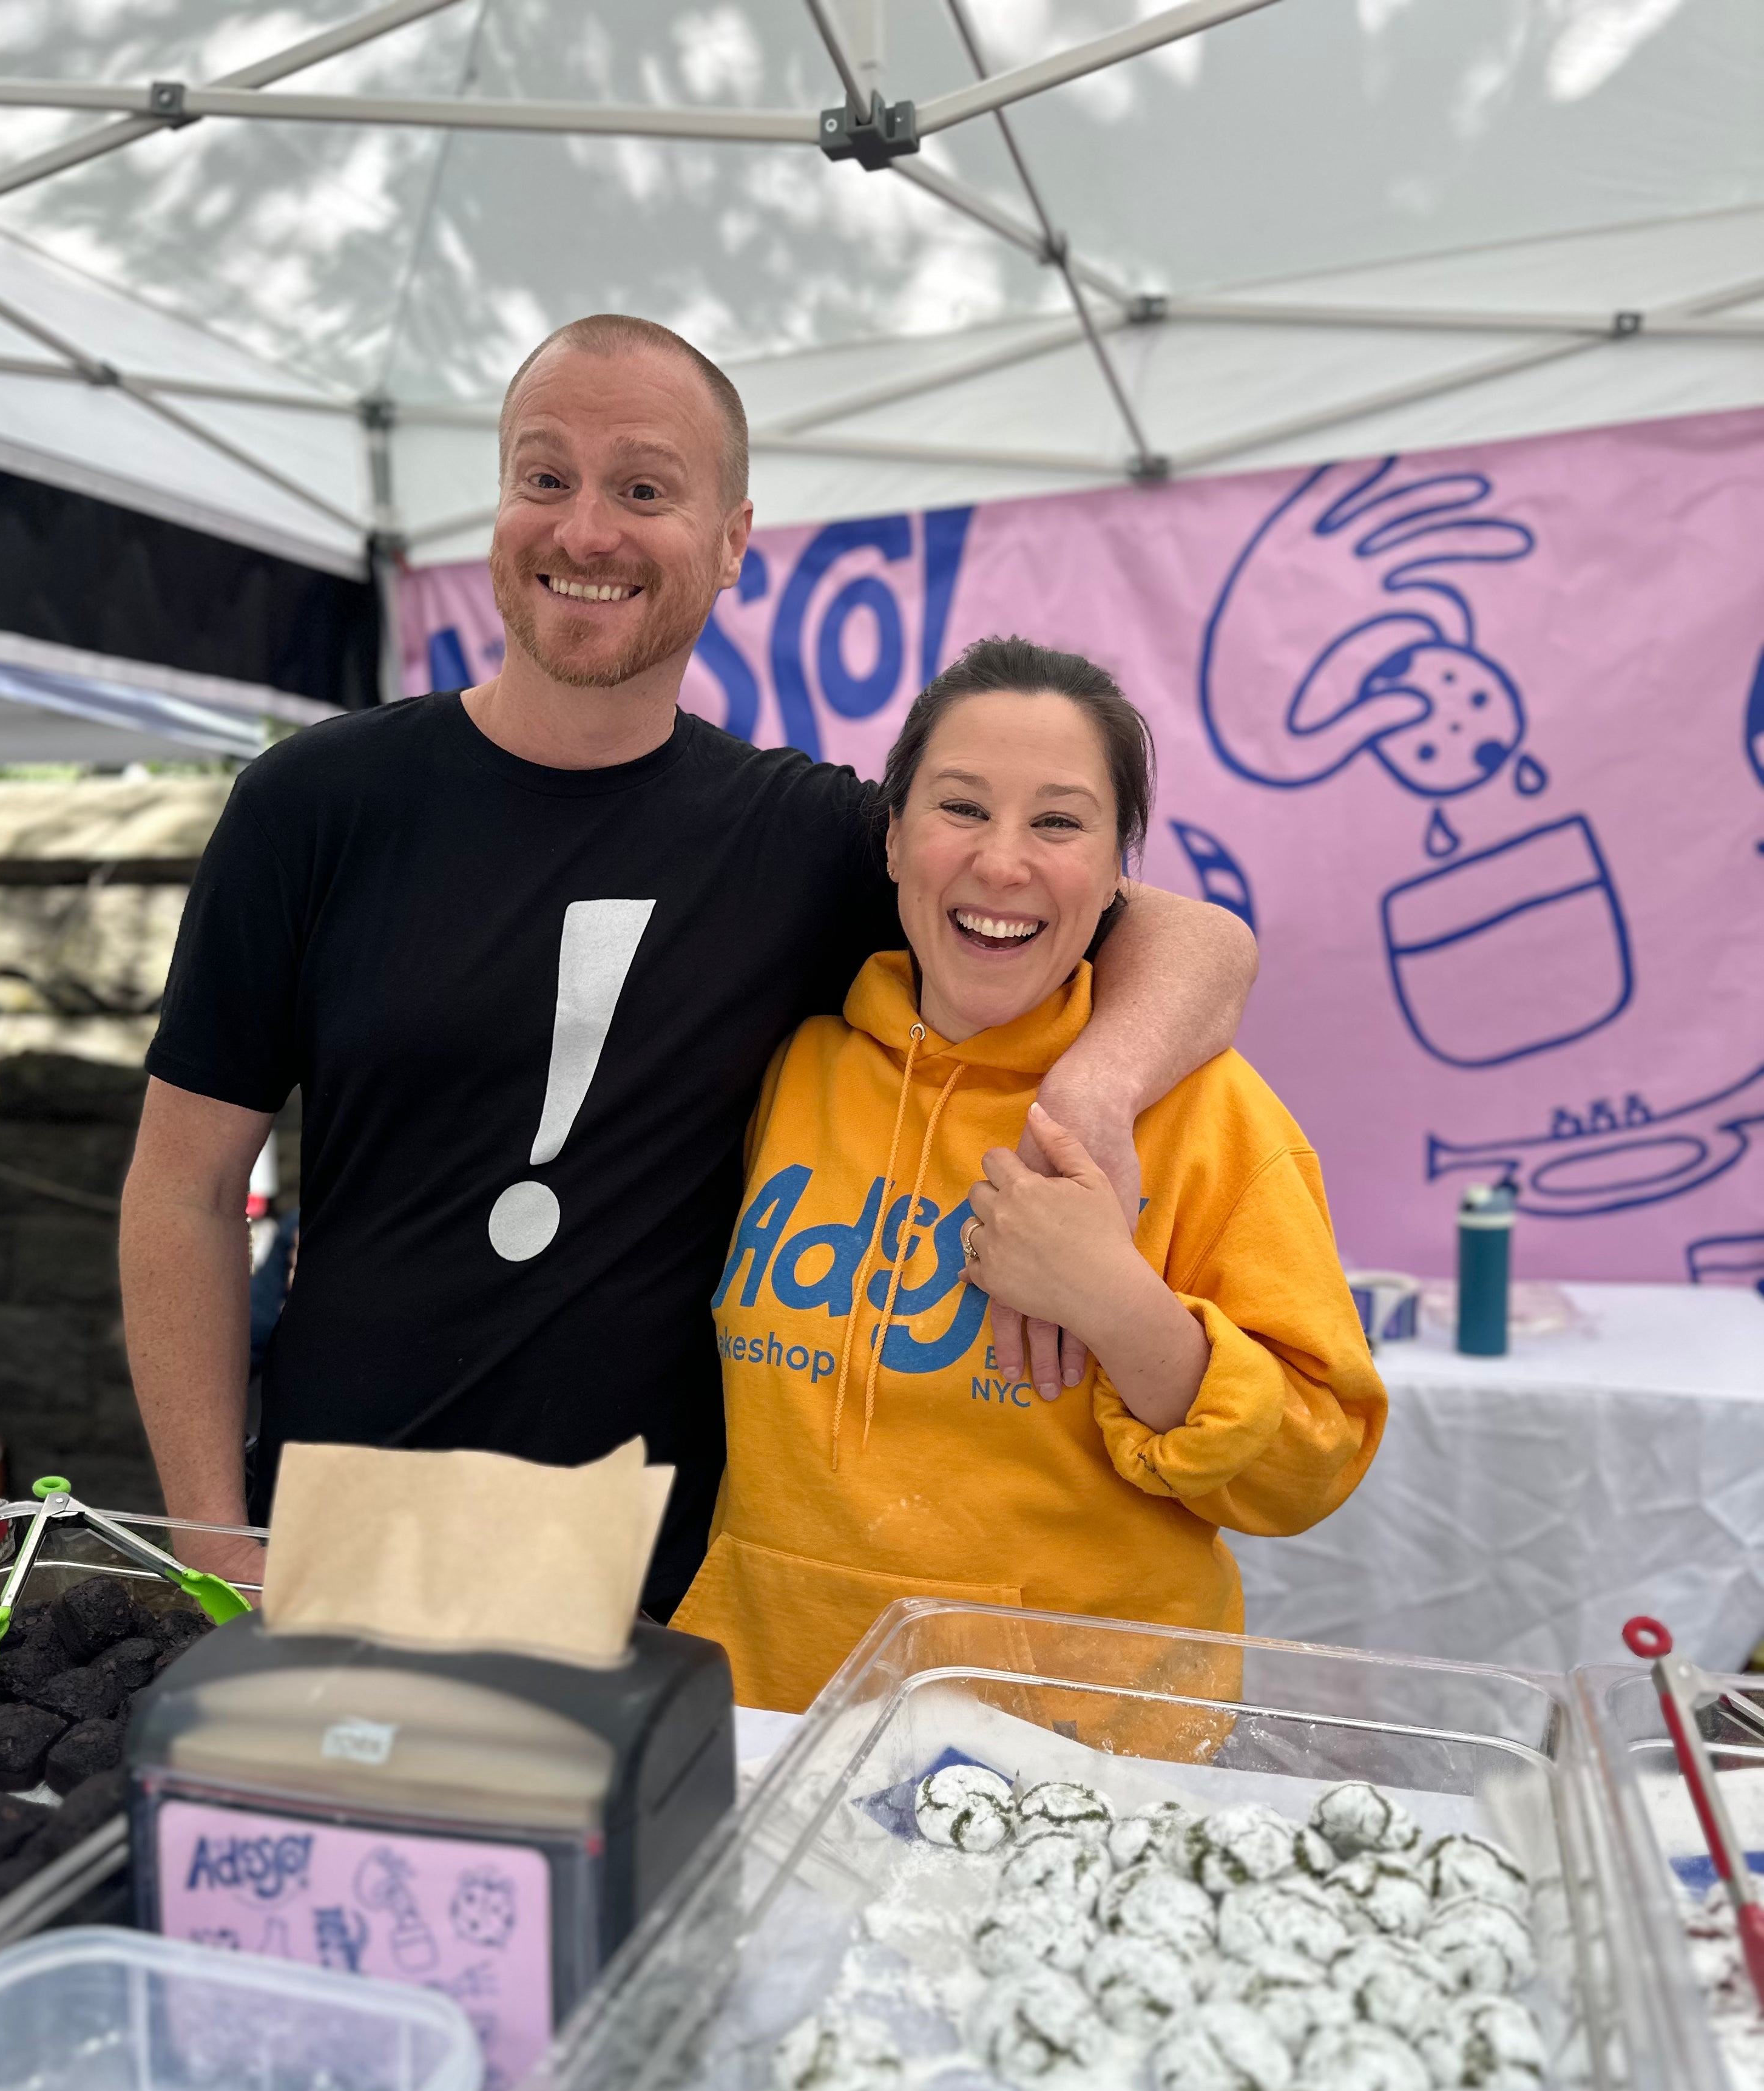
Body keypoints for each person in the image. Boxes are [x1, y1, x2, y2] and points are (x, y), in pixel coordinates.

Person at [121, 318, 1257, 1622]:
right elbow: (186, 1188)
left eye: (643, 488)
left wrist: (1098, 1096)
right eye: (544, 478)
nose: (585, 532)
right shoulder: (315, 804)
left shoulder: (804, 838)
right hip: (339, 1534)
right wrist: (208, 1529)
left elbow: (1198, 942)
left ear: (731, 543)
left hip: (658, 1584)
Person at [674, 638, 1385, 1710]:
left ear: (1114, 877)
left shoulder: (1208, 1112)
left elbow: (1311, 1468)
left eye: (1058, 822)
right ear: (895, 842)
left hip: (1081, 1755)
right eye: (961, 808)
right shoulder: (796, 1067)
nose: (1004, 864)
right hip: (774, 1720)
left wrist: (1120, 1309)